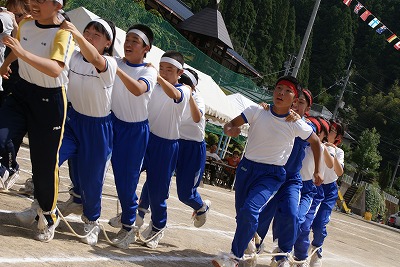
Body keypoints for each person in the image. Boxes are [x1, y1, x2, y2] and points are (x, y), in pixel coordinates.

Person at [211, 76, 322, 267]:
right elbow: (232, 124)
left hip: (276, 175)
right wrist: (230, 129)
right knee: (243, 215)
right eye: (278, 88)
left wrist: (318, 171)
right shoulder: (257, 110)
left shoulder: (298, 123)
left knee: (267, 211)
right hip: (247, 169)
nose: (281, 93)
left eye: (287, 91)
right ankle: (251, 242)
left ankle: (240, 257)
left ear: (295, 101)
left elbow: (316, 142)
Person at [0, 0, 74, 242]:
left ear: (56, 5)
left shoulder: (64, 32)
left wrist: (22, 54)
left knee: (44, 164)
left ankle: (48, 213)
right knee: (2, 136)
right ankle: (9, 169)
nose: (33, 3)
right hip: (23, 92)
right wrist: (6, 64)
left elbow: (55, 69)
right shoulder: (27, 24)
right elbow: (17, 45)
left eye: (40, 0)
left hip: (49, 102)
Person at [56, 17, 117, 246]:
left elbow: (94, 57)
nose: (89, 37)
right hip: (73, 121)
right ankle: (44, 206)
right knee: (52, 158)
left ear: (107, 43)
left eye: (96, 35)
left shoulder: (109, 64)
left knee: (92, 180)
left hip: (98, 128)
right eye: (87, 32)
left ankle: (92, 220)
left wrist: (78, 35)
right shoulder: (74, 56)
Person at [255, 89, 323, 267]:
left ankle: (282, 254)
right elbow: (267, 115)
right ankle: (253, 246)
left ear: (307, 107)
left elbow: (313, 138)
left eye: (301, 102)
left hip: (292, 178)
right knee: (262, 213)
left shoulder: (308, 125)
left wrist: (318, 170)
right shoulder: (277, 115)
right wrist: (265, 108)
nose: (296, 104)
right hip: (272, 173)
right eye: (295, 100)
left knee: (292, 215)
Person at [107, 24, 157, 249]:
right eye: (127, 39)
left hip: (134, 131)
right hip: (110, 123)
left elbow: (138, 89)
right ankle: (79, 199)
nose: (128, 43)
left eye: (135, 41)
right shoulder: (116, 61)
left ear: (146, 48)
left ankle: (129, 226)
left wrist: (116, 69)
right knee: (87, 161)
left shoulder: (149, 71)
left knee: (125, 181)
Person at [137, 50, 191, 249]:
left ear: (180, 72)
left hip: (166, 147)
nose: (165, 72)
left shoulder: (185, 90)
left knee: (158, 193)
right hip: (145, 139)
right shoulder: (154, 85)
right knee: (128, 175)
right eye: (162, 68)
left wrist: (156, 76)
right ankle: (131, 216)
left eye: (170, 69)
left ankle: (158, 226)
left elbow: (174, 94)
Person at [293, 116, 333, 267]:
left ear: (322, 135)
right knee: (288, 220)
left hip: (312, 191)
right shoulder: (301, 143)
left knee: (304, 225)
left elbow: (330, 164)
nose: (313, 132)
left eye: (317, 131)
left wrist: (324, 147)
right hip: (295, 184)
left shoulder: (322, 148)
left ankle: (302, 257)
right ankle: (285, 252)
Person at [0, 0, 31, 191]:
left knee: (9, 136)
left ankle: (11, 167)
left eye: (18, 15)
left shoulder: (30, 33)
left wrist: (18, 26)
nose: (13, 18)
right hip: (6, 85)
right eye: (11, 13)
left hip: (22, 91)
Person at [175, 68, 211, 228]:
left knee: (185, 194)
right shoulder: (171, 95)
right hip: (173, 143)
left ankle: (201, 206)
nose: (180, 85)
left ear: (193, 87)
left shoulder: (197, 99)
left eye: (185, 83)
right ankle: (140, 214)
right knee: (156, 181)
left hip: (193, 148)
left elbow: (197, 118)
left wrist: (189, 96)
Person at [306, 119, 345, 267]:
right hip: (314, 185)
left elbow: (339, 172)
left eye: (333, 130)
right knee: (305, 221)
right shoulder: (316, 144)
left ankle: (317, 249)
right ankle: (299, 252)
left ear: (338, 137)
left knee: (320, 223)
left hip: (329, 190)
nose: (329, 132)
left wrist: (332, 151)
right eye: (328, 128)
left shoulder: (339, 151)